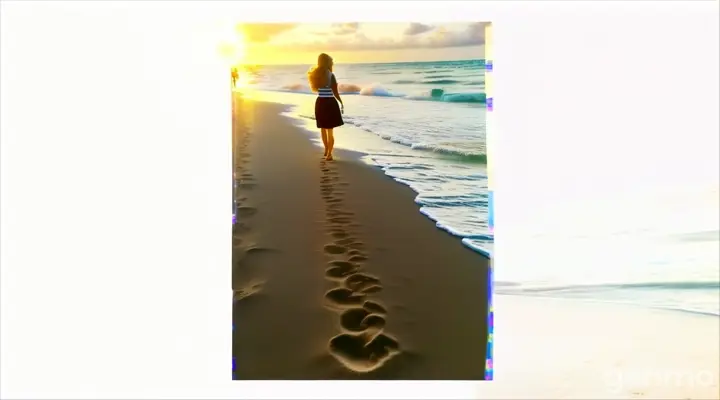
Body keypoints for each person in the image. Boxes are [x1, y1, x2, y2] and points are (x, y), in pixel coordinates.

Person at [307, 53, 344, 161]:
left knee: (323, 128)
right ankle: (329, 154)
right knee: (330, 130)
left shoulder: (315, 75)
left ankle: (326, 150)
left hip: (320, 102)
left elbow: (315, 89)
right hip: (330, 103)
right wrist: (341, 102)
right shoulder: (331, 75)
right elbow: (335, 92)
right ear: (327, 62)